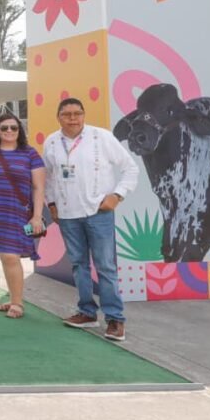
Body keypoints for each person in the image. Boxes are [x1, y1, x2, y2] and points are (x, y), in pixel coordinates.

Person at [44, 98, 139, 340]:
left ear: (84, 115)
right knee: (78, 265)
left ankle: (115, 318)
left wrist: (117, 195)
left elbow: (130, 168)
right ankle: (87, 312)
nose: (73, 118)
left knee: (105, 266)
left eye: (77, 113)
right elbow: (49, 178)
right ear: (58, 117)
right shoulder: (52, 142)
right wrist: (52, 204)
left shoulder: (101, 137)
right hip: (68, 215)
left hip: (99, 212)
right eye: (67, 114)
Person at [0, 113, 45, 320]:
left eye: (13, 128)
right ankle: (13, 297)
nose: (9, 131)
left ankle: (17, 302)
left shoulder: (30, 153)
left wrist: (37, 216)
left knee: (11, 255)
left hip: (18, 211)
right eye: (4, 128)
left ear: (19, 130)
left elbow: (38, 187)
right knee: (5, 256)